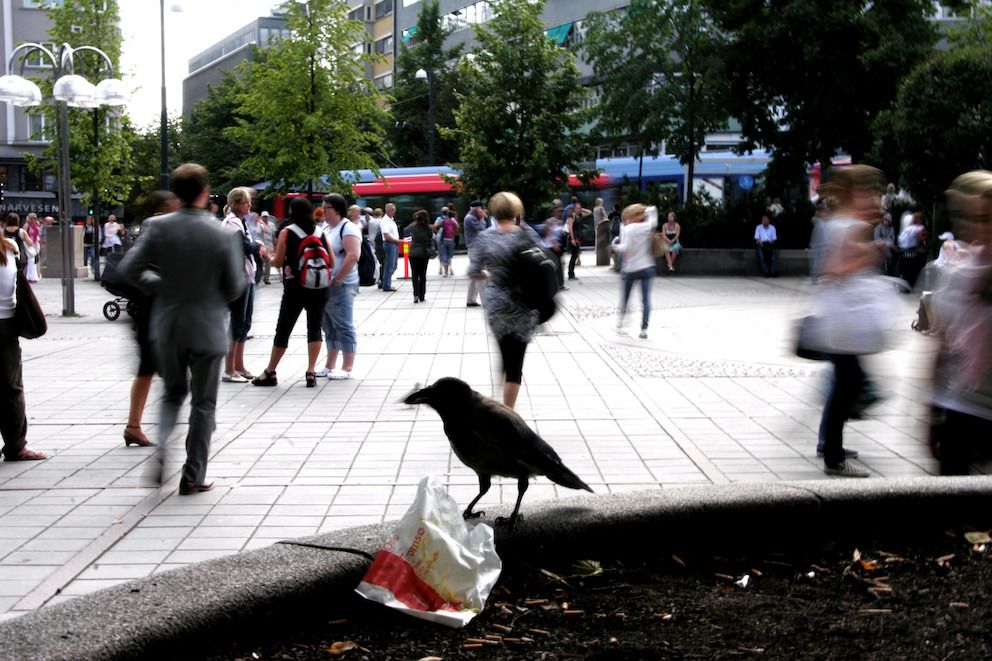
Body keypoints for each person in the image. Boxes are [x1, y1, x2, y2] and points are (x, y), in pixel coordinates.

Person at [118, 163, 245, 495]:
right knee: (203, 404)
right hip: (207, 327)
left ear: (176, 193)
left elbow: (130, 270)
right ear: (205, 193)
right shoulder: (222, 233)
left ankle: (161, 448)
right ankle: (193, 475)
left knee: (172, 393)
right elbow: (234, 287)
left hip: (168, 325)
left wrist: (160, 285)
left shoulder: (157, 227)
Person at [813, 164, 888, 478]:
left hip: (840, 318)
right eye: (866, 192)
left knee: (845, 383)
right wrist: (868, 254)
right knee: (848, 384)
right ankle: (833, 456)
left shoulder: (836, 222)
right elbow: (835, 269)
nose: (872, 198)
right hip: (846, 320)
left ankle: (831, 448)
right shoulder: (846, 225)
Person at [928, 171, 992, 474]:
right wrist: (933, 412)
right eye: (967, 216)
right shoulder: (960, 273)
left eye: (985, 216)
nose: (976, 226)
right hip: (963, 407)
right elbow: (940, 347)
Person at [468, 192, 542, 409]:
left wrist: (491, 277)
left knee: (504, 353)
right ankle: (508, 413)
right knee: (515, 362)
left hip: (496, 306)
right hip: (524, 305)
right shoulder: (527, 235)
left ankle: (497, 406)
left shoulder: (485, 237)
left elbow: (473, 271)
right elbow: (542, 262)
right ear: (517, 211)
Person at [121, 190, 182, 448]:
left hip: (160, 308)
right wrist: (160, 284)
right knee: (149, 368)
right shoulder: (155, 228)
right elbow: (132, 268)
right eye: (173, 205)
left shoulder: (170, 229)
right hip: (149, 308)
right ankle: (135, 425)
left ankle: (137, 425)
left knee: (152, 368)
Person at [252, 198, 332, 388]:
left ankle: (270, 372)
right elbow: (332, 262)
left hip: (295, 287)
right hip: (319, 287)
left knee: (284, 329)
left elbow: (278, 262)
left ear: (292, 212)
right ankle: (311, 371)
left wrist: (268, 255)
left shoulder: (287, 232)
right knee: (314, 328)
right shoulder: (321, 232)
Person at [0, 235, 47, 462]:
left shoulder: (9, 249)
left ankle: (17, 445)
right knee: (11, 389)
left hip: (5, 325)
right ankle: (16, 445)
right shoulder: (10, 248)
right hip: (6, 327)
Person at [221, 187, 267, 383]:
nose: (249, 205)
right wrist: (257, 247)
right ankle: (229, 369)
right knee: (237, 323)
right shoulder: (231, 223)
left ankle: (239, 365)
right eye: (245, 202)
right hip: (237, 276)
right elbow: (241, 246)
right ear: (234, 204)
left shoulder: (239, 222)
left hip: (245, 275)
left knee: (244, 323)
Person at [316, 193, 362, 380]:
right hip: (326, 284)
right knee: (328, 325)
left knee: (344, 324)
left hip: (342, 285)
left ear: (337, 209)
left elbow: (353, 255)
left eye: (326, 208)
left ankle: (347, 367)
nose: (323, 211)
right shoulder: (327, 228)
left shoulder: (348, 228)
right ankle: (330, 365)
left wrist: (338, 279)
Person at [615, 204, 659, 339]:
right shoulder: (647, 226)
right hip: (647, 267)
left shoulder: (629, 229)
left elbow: (626, 247)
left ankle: (621, 323)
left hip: (631, 269)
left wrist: (614, 247)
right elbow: (653, 210)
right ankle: (644, 329)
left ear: (632, 216)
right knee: (646, 299)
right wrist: (644, 212)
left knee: (626, 297)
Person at [463, 200, 489, 306]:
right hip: (475, 250)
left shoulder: (472, 217)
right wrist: (482, 218)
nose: (483, 211)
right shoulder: (470, 218)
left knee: (474, 276)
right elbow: (482, 229)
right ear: (478, 209)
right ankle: (485, 301)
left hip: (475, 249)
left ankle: (471, 300)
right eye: (482, 209)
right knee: (481, 274)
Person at [408, 209, 434, 303]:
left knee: (414, 275)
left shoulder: (412, 226)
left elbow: (405, 231)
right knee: (422, 275)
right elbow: (431, 239)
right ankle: (422, 296)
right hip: (424, 253)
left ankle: (415, 295)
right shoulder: (429, 228)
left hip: (413, 253)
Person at [562, 196, 590, 280]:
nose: (579, 209)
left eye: (580, 208)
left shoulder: (580, 215)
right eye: (577, 208)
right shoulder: (571, 216)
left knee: (574, 255)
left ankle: (572, 273)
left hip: (578, 237)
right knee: (573, 256)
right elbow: (570, 228)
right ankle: (571, 274)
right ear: (574, 209)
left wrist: (582, 209)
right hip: (573, 238)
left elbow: (589, 212)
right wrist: (572, 239)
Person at [379, 202, 400, 292]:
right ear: (387, 210)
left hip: (393, 243)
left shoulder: (391, 220)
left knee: (393, 265)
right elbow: (386, 235)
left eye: (394, 209)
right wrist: (398, 241)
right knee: (390, 265)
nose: (394, 211)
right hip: (390, 244)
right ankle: (386, 285)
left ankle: (383, 282)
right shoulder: (385, 221)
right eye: (392, 209)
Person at [433, 207, 459, 277]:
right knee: (449, 255)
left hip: (442, 239)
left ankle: (442, 269)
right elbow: (457, 227)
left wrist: (438, 233)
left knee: (443, 254)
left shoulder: (440, 219)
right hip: (451, 239)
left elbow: (435, 226)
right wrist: (453, 234)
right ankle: (450, 268)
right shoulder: (452, 219)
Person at [874, 212, 897, 277]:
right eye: (885, 220)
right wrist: (885, 243)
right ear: (883, 220)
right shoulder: (878, 228)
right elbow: (876, 239)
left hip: (889, 246)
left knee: (893, 253)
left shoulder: (891, 228)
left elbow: (892, 238)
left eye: (888, 220)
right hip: (880, 246)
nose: (886, 222)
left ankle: (891, 270)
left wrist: (889, 243)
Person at [24, 214, 41, 283]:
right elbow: (24, 234)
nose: (34, 220)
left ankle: (31, 276)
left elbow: (38, 234)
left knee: (34, 261)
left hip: (36, 244)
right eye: (32, 218)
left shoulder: (36, 225)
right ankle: (32, 277)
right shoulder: (26, 225)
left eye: (35, 218)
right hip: (29, 244)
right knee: (31, 260)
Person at [259, 210, 275, 285]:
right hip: (260, 246)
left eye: (266, 217)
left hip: (269, 246)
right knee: (260, 262)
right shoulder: (258, 224)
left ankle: (266, 278)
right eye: (264, 217)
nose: (265, 218)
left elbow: (273, 236)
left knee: (268, 262)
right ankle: (259, 277)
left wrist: (275, 246)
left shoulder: (271, 225)